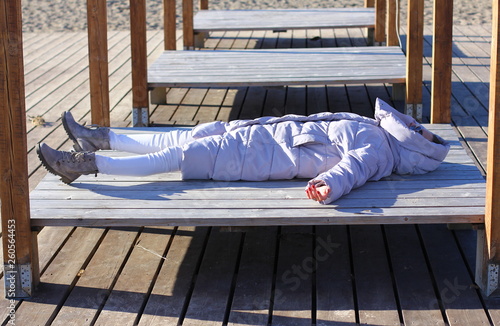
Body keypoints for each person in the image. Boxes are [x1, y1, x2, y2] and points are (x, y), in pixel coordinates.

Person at [37, 98, 450, 204]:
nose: (419, 127)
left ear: (414, 145)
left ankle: (84, 165)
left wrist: (328, 184)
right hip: (258, 138)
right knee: (174, 140)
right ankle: (97, 137)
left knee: (171, 158)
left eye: (424, 134)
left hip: (256, 156)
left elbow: (353, 169)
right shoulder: (377, 130)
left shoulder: (379, 146)